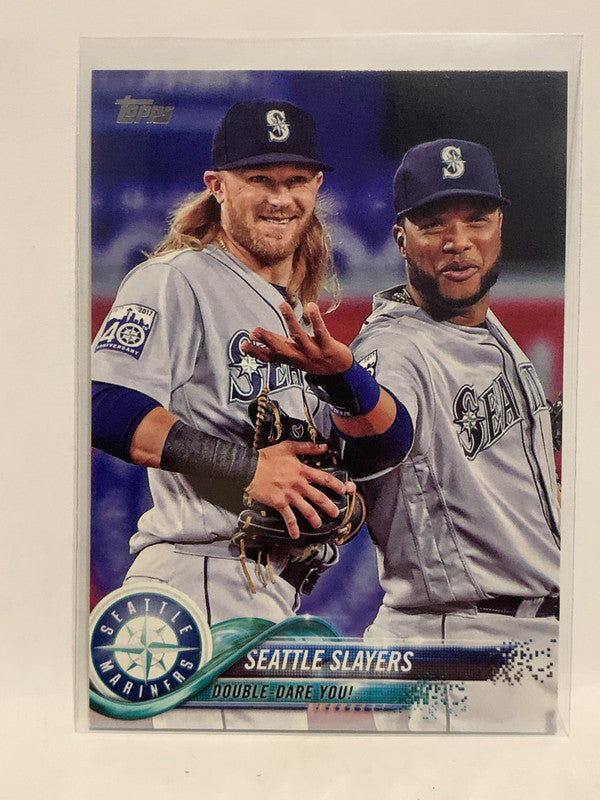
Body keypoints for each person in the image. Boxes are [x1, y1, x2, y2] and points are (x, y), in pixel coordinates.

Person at [242, 139, 561, 733]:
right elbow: (378, 438)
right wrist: (346, 384)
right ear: (401, 239)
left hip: (533, 642)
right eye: (433, 224)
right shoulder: (395, 348)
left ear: (500, 227)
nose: (457, 241)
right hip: (464, 648)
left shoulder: (485, 327)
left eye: (476, 219)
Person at [91, 99, 355, 729]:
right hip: (202, 582)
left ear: (317, 186)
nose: (280, 198)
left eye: (295, 180)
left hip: (259, 592)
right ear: (217, 186)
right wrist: (249, 470)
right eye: (259, 179)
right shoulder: (177, 278)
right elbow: (103, 403)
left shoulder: (290, 306)